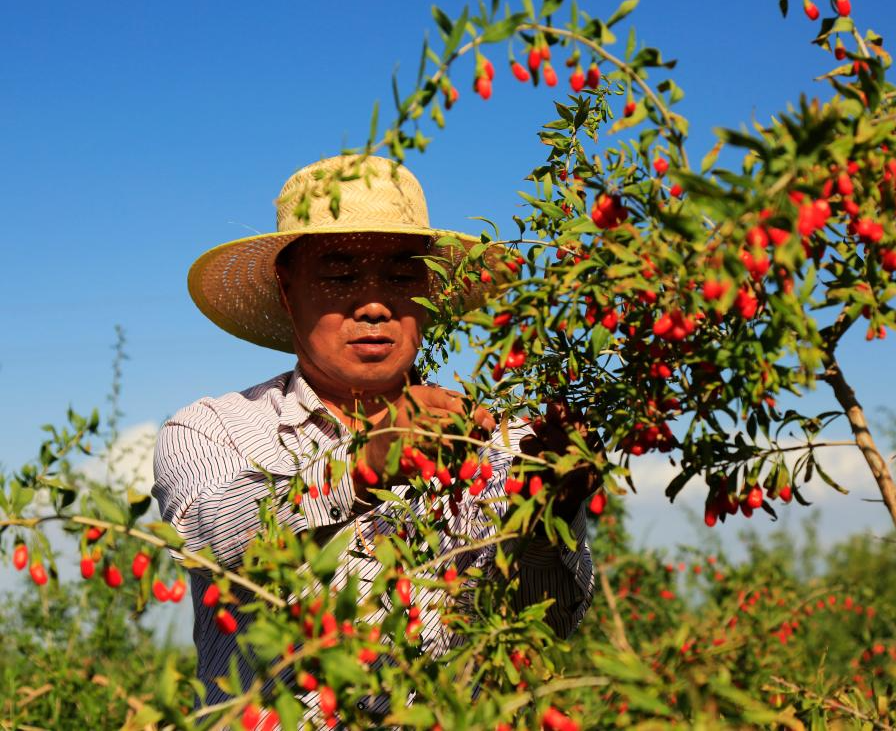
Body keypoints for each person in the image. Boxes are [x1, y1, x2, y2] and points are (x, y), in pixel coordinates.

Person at [152, 154, 600, 727]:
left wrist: (549, 509)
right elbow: (211, 532)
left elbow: (542, 627)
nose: (372, 303)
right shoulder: (214, 428)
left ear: (429, 292)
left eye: (400, 275)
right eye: (340, 276)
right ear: (288, 294)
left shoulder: (491, 445)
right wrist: (360, 466)